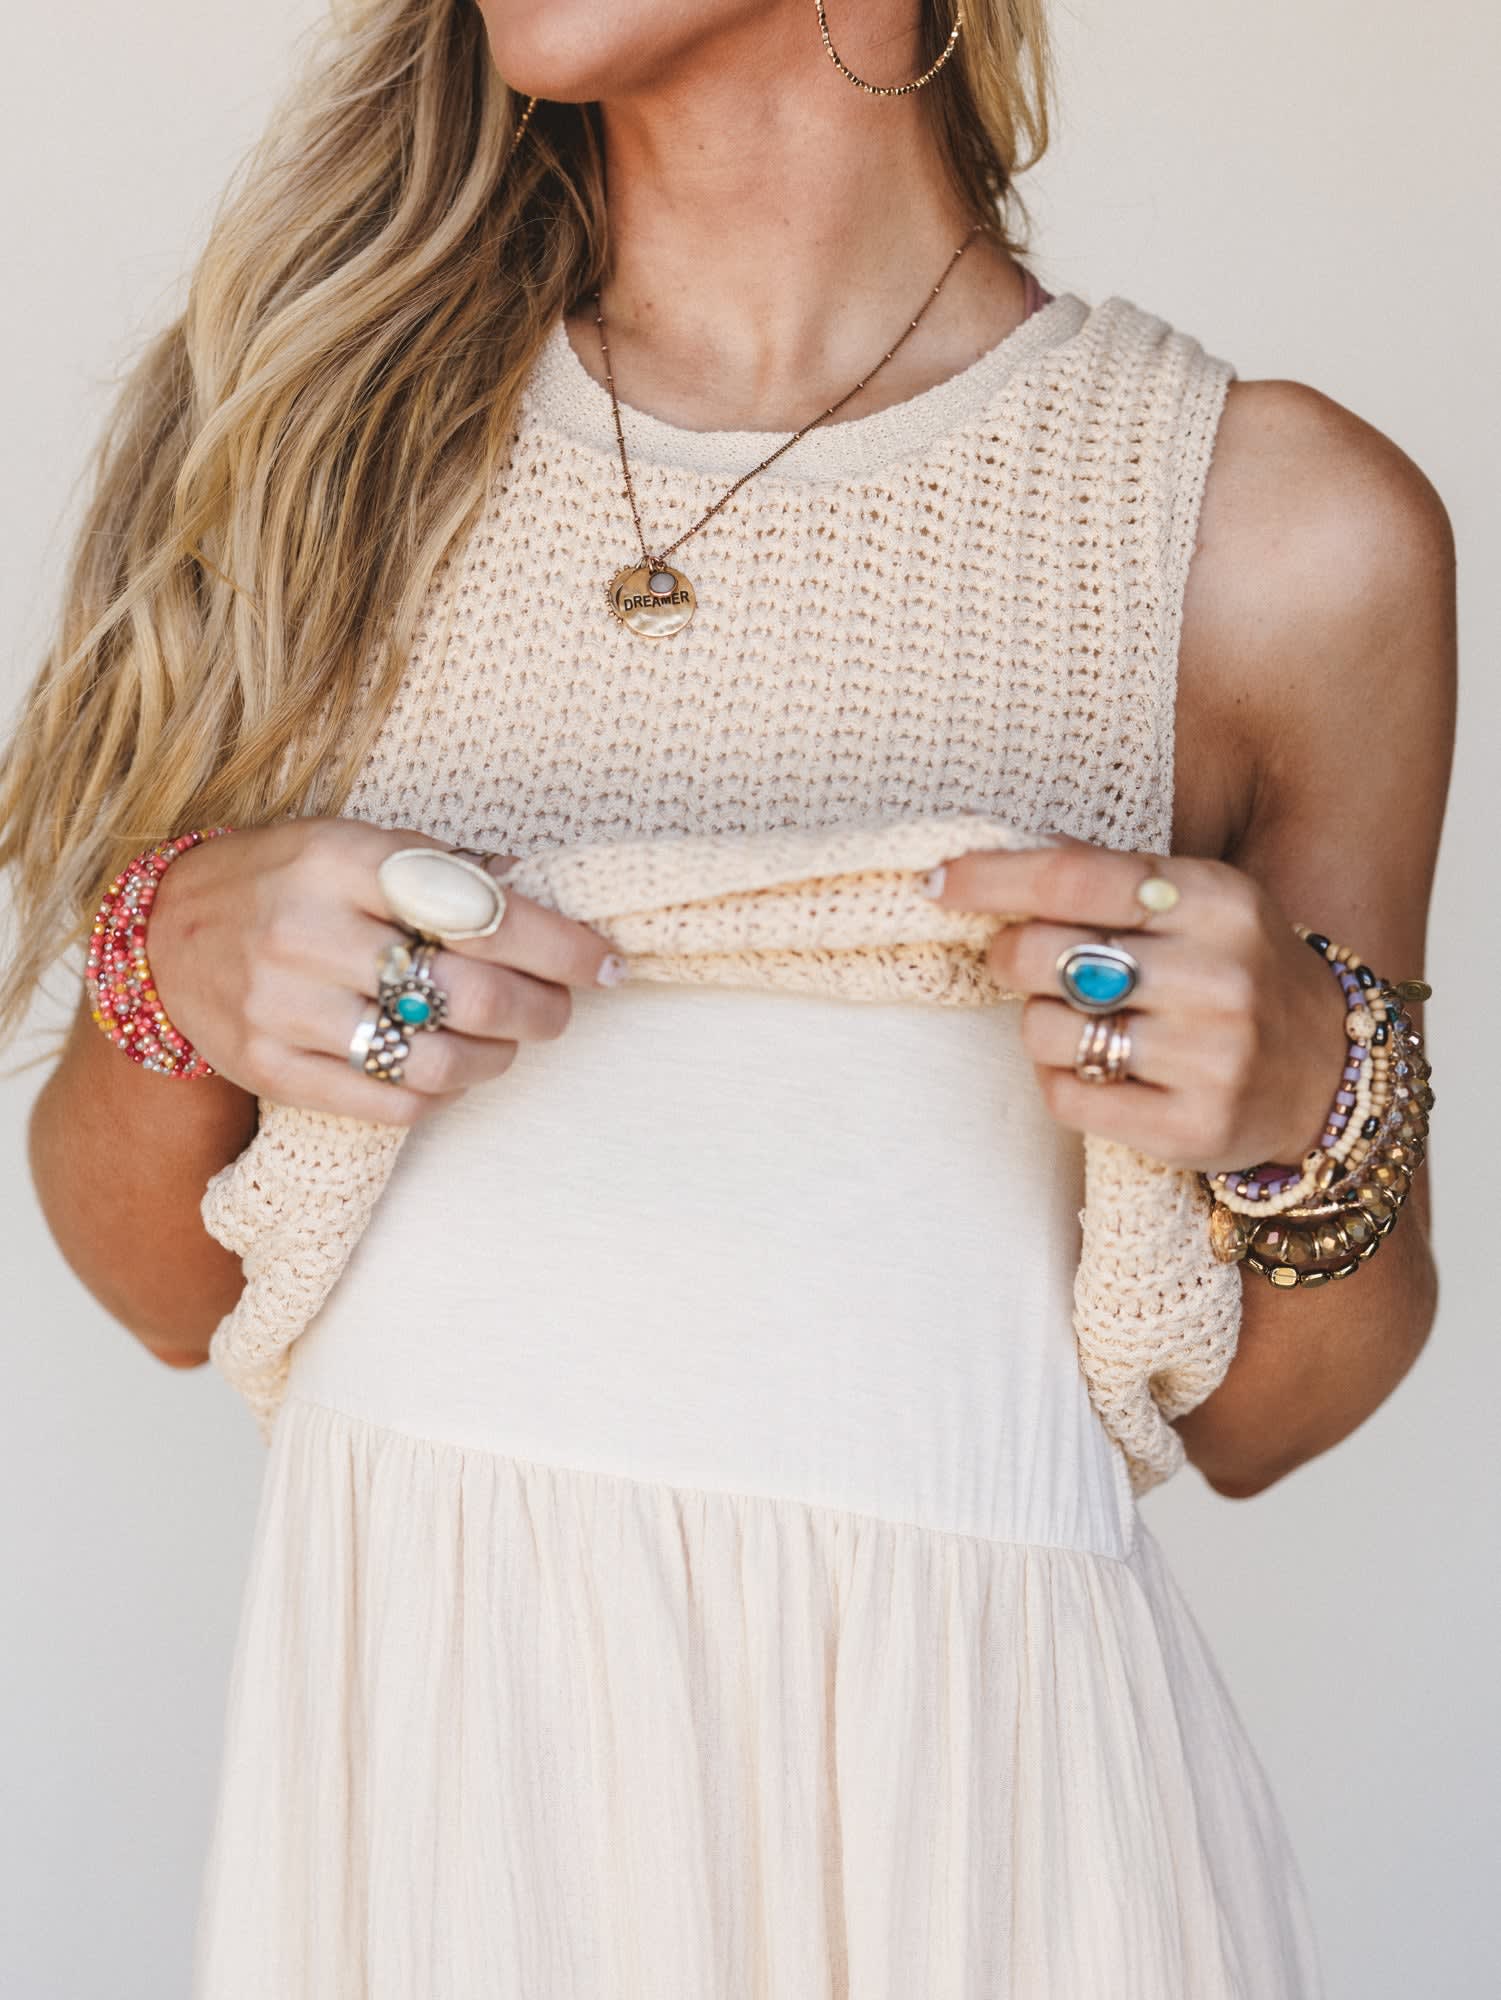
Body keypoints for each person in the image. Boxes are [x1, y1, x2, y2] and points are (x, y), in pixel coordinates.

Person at [1, 2, 1455, 1995]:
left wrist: (1298, 1094)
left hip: (981, 1832)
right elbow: (166, 1287)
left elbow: (1274, 1418)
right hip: (441, 1801)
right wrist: (163, 966)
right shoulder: (312, 435)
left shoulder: (1271, 529)